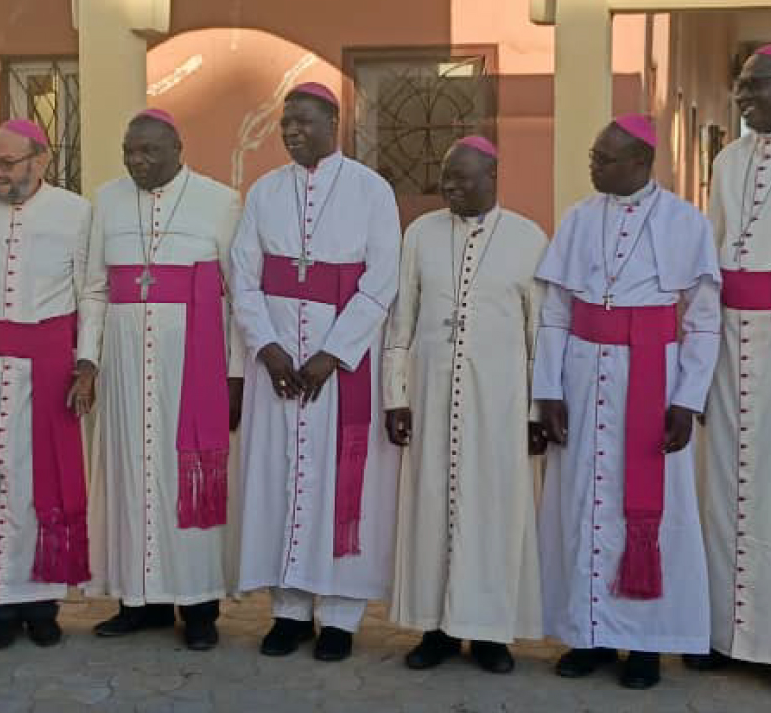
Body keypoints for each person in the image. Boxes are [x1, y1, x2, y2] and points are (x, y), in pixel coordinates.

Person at [533, 115, 721, 690]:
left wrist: (687, 399)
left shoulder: (685, 222)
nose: (593, 165)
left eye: (604, 158)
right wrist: (548, 390)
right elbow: (555, 311)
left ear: (640, 162)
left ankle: (644, 644)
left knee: (647, 508)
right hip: (582, 375)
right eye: (594, 155)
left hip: (651, 377)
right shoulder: (577, 217)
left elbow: (704, 320)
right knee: (581, 501)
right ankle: (586, 634)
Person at [231, 82, 401, 662]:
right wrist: (268, 347)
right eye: (286, 123)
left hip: (340, 367)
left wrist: (332, 353)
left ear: (334, 122)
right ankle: (289, 611)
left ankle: (340, 619)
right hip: (277, 367)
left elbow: (381, 282)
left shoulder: (371, 190)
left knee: (341, 484)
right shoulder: (264, 191)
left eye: (303, 121)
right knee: (279, 477)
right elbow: (243, 278)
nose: (291, 131)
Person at [82, 109, 243, 650]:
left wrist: (235, 374)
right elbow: (95, 288)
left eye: (149, 151)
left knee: (187, 479)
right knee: (129, 475)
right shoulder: (106, 200)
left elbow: (238, 294)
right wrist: (88, 359)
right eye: (129, 151)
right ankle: (139, 601)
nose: (137, 161)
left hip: (191, 367)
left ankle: (198, 606)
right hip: (125, 366)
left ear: (178, 148)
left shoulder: (220, 201)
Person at [385, 136, 546, 674]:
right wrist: (395, 396)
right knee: (432, 506)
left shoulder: (528, 238)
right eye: (446, 177)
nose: (449, 187)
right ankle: (435, 630)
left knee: (494, 513)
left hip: (498, 405)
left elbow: (539, 333)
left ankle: (491, 635)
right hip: (430, 397)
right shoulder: (420, 233)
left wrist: (537, 411)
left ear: (493, 175)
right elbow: (402, 320)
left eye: (462, 178)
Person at [0, 119, 94, 650]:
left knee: (42, 484)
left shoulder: (75, 211)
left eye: (8, 163)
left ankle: (42, 605)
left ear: (41, 160)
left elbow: (91, 291)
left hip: (48, 368)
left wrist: (87, 362)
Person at [690, 44, 771, 671]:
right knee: (720, 485)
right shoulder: (727, 160)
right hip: (727, 341)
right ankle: (722, 634)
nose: (743, 95)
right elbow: (713, 252)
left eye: (755, 84)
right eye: (740, 85)